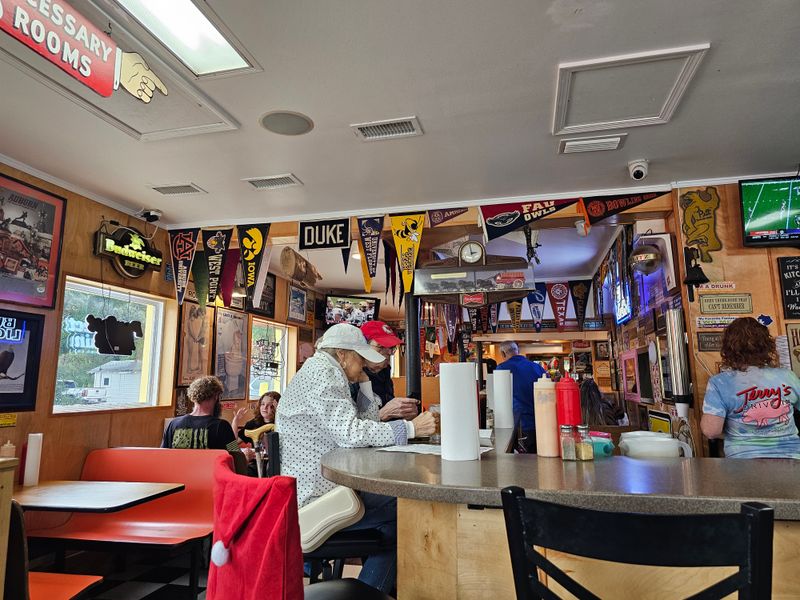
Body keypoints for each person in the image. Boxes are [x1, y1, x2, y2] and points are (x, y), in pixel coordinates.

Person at [276, 323, 435, 594]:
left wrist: (363, 382)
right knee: (409, 514)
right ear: (342, 354)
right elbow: (352, 434)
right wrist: (410, 429)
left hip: (321, 489)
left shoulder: (324, 371)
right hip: (316, 499)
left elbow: (363, 421)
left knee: (399, 516)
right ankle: (369, 592)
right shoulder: (323, 374)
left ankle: (369, 589)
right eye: (360, 358)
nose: (363, 365)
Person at [701, 317, 800, 458]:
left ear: (728, 348)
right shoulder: (787, 376)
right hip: (792, 460)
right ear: (767, 345)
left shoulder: (720, 383)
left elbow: (711, 430)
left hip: (744, 462)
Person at [355, 320, 418, 422]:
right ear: (363, 347)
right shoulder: (349, 376)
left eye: (391, 347)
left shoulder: (384, 372)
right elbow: (347, 431)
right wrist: (383, 414)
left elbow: (387, 417)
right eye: (381, 346)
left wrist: (402, 415)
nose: (389, 352)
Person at [162, 376, 240, 452]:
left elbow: (162, 455)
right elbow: (236, 456)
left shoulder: (173, 424)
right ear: (216, 396)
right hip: (209, 465)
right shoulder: (222, 426)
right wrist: (246, 457)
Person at [495, 341, 546, 453]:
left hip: (518, 425)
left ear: (503, 354)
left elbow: (498, 398)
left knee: (521, 464)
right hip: (542, 423)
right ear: (517, 351)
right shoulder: (537, 368)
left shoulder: (502, 369)